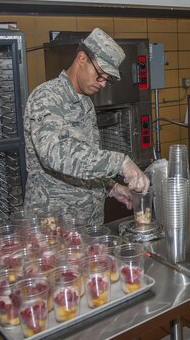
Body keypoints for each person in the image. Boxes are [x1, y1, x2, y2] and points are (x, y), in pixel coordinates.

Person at [23, 28, 149, 225]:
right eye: (100, 75)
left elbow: (85, 158)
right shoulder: (47, 97)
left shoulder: (85, 103)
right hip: (54, 228)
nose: (102, 84)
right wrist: (120, 163)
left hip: (88, 226)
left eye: (107, 79)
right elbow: (55, 153)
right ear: (81, 58)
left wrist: (112, 187)